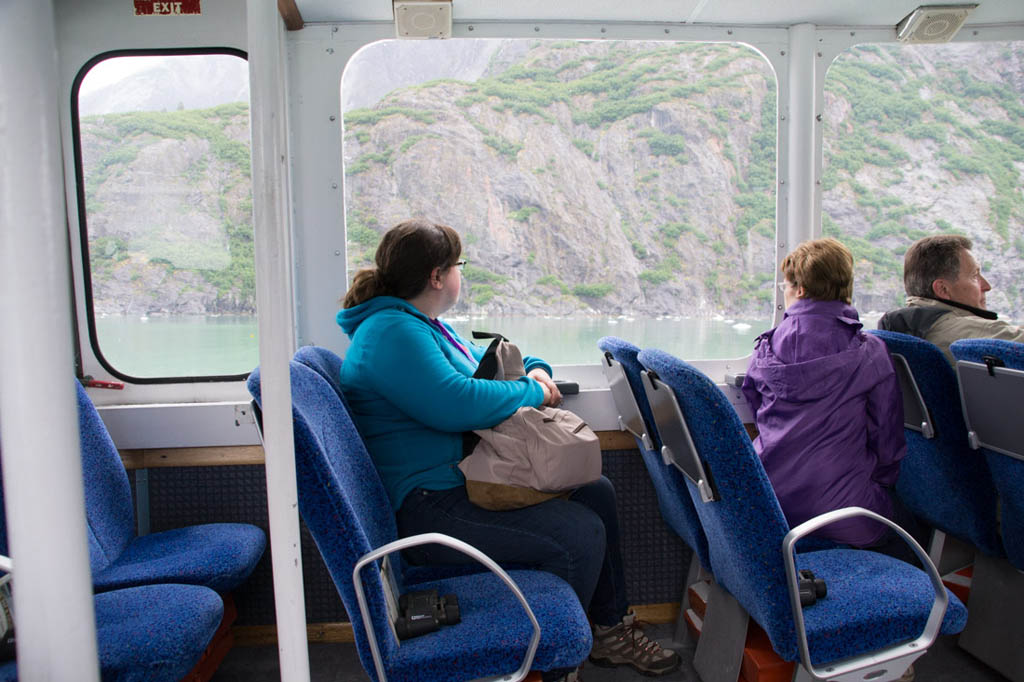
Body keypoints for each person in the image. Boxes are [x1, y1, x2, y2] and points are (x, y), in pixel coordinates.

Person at [337, 218, 679, 679]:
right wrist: (534, 392)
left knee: (595, 491)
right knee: (579, 536)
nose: (461, 274)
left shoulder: (424, 325)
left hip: (461, 481)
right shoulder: (392, 332)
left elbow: (482, 371)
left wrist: (533, 368)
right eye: (457, 265)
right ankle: (557, 663)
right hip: (429, 503)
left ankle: (609, 631)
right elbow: (456, 402)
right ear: (437, 277)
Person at [741, 238, 910, 548]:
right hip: (846, 513)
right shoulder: (869, 351)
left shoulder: (765, 348)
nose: (785, 292)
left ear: (801, 289)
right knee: (909, 521)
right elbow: (887, 437)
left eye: (786, 286)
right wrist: (881, 481)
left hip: (770, 504)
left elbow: (756, 406)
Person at [878, 234, 1024, 363]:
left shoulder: (904, 326)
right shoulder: (975, 333)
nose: (987, 286)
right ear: (943, 289)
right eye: (974, 276)